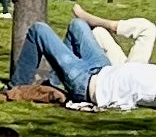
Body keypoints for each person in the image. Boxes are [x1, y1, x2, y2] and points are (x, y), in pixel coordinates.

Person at [12, 17, 156, 108]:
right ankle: (54, 82)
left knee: (38, 29)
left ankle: (16, 86)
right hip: (103, 68)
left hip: (87, 84)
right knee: (77, 24)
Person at [75, 3, 156, 66]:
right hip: (130, 73)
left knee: (147, 29)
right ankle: (110, 25)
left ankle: (110, 25)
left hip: (135, 77)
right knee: (99, 32)